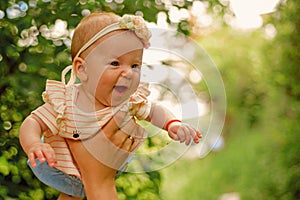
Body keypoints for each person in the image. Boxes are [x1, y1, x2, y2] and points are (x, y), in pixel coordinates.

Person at [19, 12, 202, 200]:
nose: (128, 73)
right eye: (115, 63)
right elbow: (33, 121)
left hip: (106, 167)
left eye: (135, 65)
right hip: (64, 168)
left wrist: (171, 124)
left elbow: (154, 110)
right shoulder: (67, 101)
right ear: (82, 69)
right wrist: (33, 143)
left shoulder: (127, 102)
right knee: (71, 195)